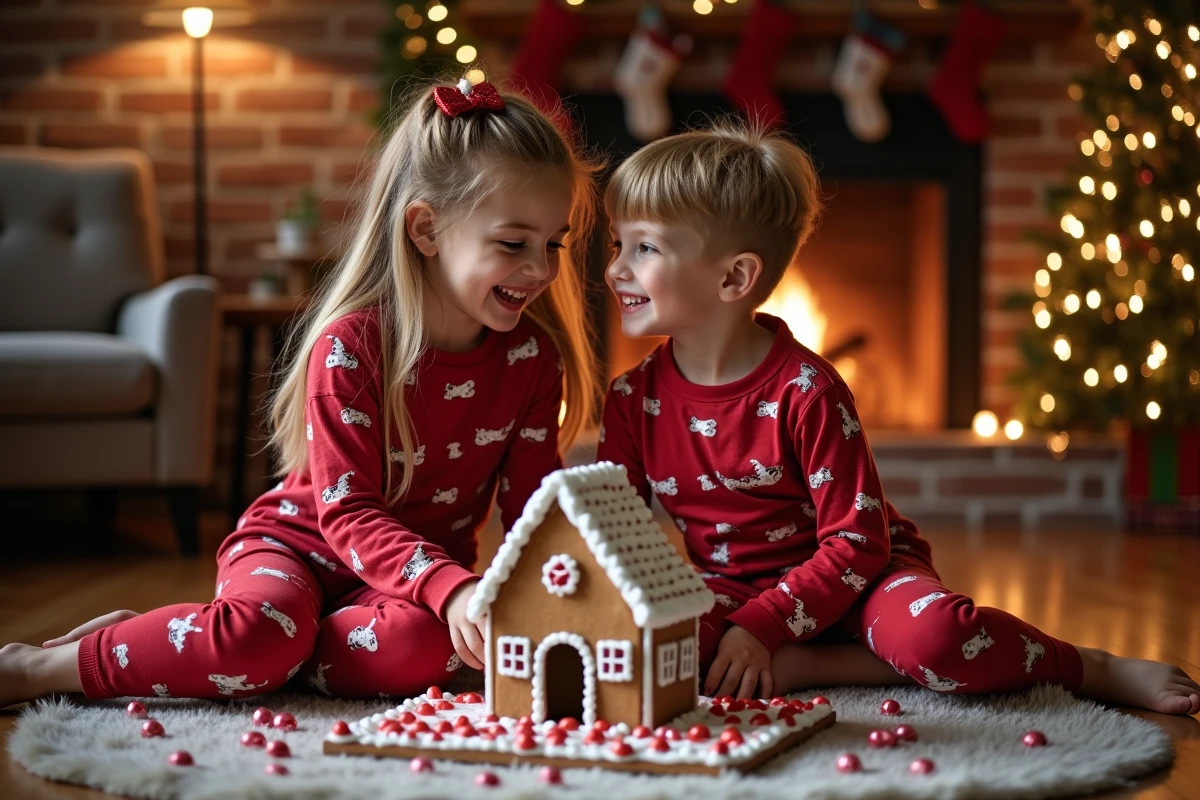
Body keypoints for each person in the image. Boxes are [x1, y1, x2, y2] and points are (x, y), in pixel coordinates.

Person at [0, 77, 600, 706]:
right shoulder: (352, 345)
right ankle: (41, 667)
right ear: (425, 230)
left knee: (425, 648)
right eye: (513, 243)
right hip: (298, 549)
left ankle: (210, 647)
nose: (543, 268)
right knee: (264, 633)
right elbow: (349, 512)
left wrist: (543, 595)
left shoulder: (532, 358)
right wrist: (454, 589)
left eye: (553, 243)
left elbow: (534, 508)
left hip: (408, 586)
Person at [597, 120, 1200, 715]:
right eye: (616, 243)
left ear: (735, 277)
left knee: (938, 639)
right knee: (637, 650)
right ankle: (802, 655)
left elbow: (857, 541)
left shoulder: (809, 390)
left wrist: (766, 626)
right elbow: (609, 533)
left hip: (861, 581)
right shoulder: (630, 398)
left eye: (644, 247)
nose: (615, 268)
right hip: (729, 589)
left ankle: (1087, 665)